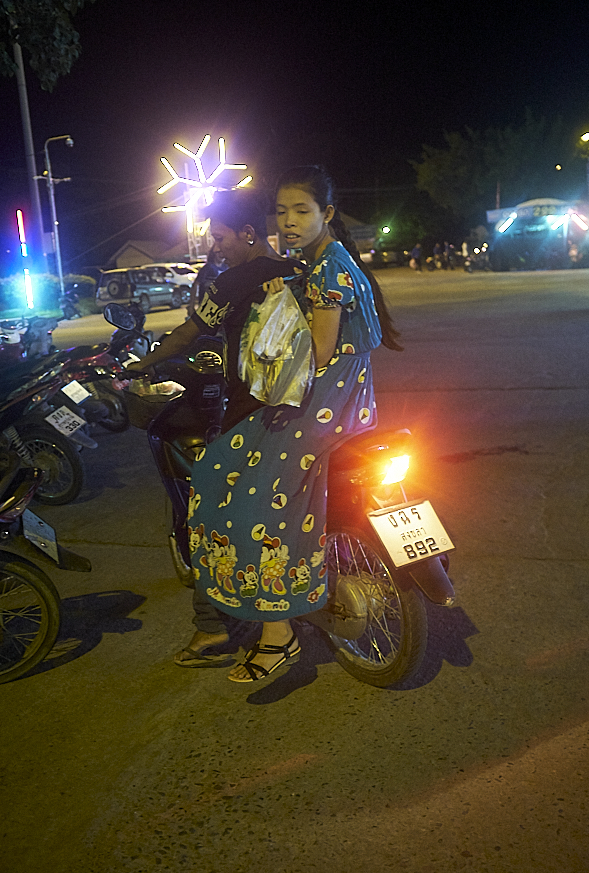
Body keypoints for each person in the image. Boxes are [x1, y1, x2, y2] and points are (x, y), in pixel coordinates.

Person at [186, 165, 403, 683]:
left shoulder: (328, 270)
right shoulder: (319, 262)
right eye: (282, 212)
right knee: (218, 468)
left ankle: (277, 634)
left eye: (302, 211)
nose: (289, 221)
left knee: (252, 503)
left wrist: (272, 341)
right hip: (332, 396)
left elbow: (318, 353)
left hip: (326, 400)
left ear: (327, 213)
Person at [130, 189, 306, 667]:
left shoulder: (232, 282)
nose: (216, 246)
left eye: (220, 237)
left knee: (206, 511)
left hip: (252, 415)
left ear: (247, 233)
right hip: (307, 410)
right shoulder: (298, 271)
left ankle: (215, 625)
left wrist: (144, 362)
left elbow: (189, 333)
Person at [187, 245, 227, 317]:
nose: (221, 255)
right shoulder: (207, 268)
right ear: (213, 254)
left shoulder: (226, 267)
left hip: (221, 307)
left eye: (223, 252)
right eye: (218, 252)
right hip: (207, 307)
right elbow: (195, 285)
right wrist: (191, 306)